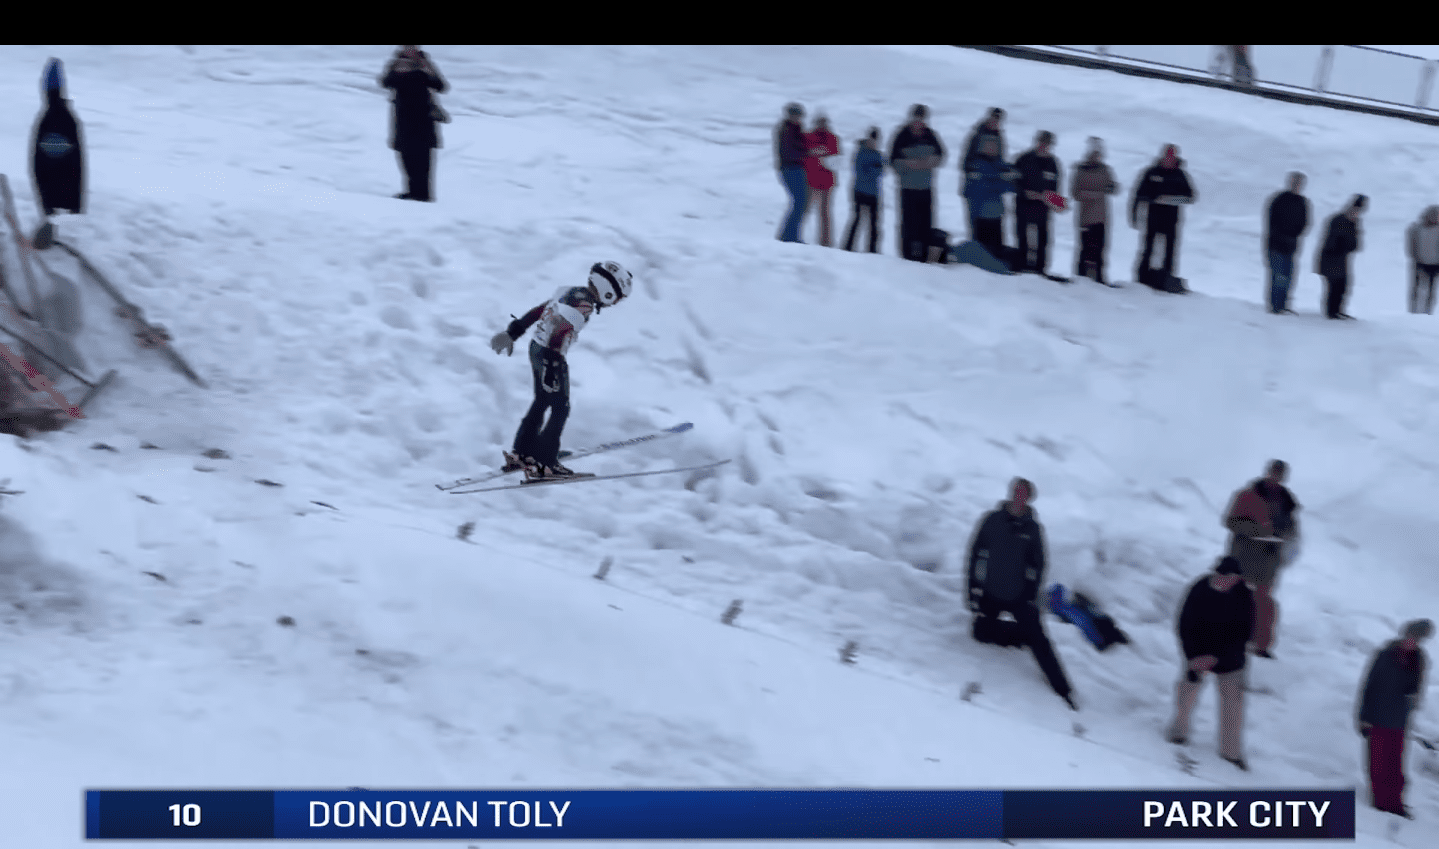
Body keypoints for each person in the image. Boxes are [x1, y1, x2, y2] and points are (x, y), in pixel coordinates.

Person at [488, 262, 634, 481]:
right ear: (608, 292)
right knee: (560, 407)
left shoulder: (570, 292)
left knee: (541, 400)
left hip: (536, 347)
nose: (615, 303)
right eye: (617, 297)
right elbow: (559, 331)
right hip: (551, 355)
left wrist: (514, 332)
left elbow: (541, 310)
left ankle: (523, 453)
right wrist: (552, 367)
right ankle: (545, 464)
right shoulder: (582, 307)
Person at [967, 478, 1078, 711]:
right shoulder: (991, 520)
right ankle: (1020, 636)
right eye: (1015, 491)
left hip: (1020, 596)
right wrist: (972, 589)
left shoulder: (1033, 529)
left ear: (1028, 499)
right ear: (1010, 493)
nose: (1018, 496)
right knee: (979, 632)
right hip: (991, 592)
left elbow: (1039, 563)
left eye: (1023, 494)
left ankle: (1064, 690)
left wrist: (1031, 591)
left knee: (1040, 640)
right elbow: (975, 553)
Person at [1167, 556, 1255, 771]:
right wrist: (1193, 657)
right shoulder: (1198, 589)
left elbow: (1243, 635)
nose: (1226, 581)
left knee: (1233, 704)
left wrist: (1216, 657)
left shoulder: (1244, 597)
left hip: (1230, 660)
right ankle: (1178, 734)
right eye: (1223, 576)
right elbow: (1184, 625)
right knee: (1186, 694)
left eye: (1232, 578)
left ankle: (1231, 753)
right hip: (1197, 655)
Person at [1224, 460, 1301, 659]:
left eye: (1280, 474)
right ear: (1267, 473)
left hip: (1268, 562)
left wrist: (1285, 538)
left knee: (1263, 604)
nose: (1276, 477)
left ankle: (1261, 646)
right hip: (1242, 557)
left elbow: (1292, 531)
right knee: (1234, 598)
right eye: (1273, 472)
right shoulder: (1247, 496)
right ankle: (1227, 638)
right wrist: (1259, 531)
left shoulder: (1288, 502)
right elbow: (1230, 521)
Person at [1357, 619, 1432, 819]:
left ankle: (1395, 804)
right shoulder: (1385, 655)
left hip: (1399, 720)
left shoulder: (1419, 660)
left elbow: (1418, 689)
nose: (1413, 642)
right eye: (1411, 637)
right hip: (1378, 717)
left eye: (1418, 639)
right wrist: (1363, 717)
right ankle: (1380, 804)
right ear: (1404, 635)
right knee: (1378, 764)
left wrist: (1414, 698)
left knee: (1395, 766)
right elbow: (1368, 686)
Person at [379, 45, 448, 202]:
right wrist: (397, 72)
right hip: (403, 119)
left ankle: (423, 195)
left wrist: (428, 71)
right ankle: (411, 192)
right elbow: (385, 82)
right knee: (406, 156)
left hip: (424, 119)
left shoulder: (425, 62)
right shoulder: (396, 62)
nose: (410, 49)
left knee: (423, 158)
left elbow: (441, 86)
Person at [1130, 144, 1197, 291]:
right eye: (1167, 156)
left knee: (1170, 250)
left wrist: (1172, 199)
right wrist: (1135, 215)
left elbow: (1191, 196)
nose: (1169, 160)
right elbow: (1139, 194)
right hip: (1152, 218)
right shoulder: (1151, 172)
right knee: (1148, 249)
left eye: (1172, 157)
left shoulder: (1180, 175)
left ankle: (1167, 279)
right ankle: (1141, 279)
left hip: (1172, 220)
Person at [889, 105, 945, 262]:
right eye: (916, 118)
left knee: (926, 223)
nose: (919, 122)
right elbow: (892, 161)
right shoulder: (901, 135)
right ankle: (907, 256)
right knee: (908, 224)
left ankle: (924, 256)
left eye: (922, 119)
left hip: (926, 188)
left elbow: (941, 155)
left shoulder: (931, 135)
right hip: (908, 188)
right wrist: (909, 164)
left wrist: (934, 161)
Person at [30, 58, 85, 216]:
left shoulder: (45, 120)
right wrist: (77, 204)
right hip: (69, 203)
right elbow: (78, 164)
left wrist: (45, 203)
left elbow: (37, 165)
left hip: (52, 203)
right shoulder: (69, 118)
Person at [1014, 131, 1064, 278]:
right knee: (1023, 239)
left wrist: (1056, 201)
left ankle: (1040, 270)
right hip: (1024, 207)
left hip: (1043, 210)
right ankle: (1021, 267)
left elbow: (1055, 188)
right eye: (1042, 143)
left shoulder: (1053, 163)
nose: (1044, 146)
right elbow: (1014, 182)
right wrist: (1026, 193)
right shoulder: (1023, 159)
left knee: (1043, 241)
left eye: (1047, 144)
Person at [961, 133, 1017, 265]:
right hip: (980, 214)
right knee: (981, 250)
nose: (991, 148)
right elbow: (979, 188)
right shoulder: (976, 164)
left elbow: (1012, 185)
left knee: (996, 250)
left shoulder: (1000, 164)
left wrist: (1000, 180)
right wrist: (999, 180)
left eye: (994, 146)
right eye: (988, 145)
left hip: (996, 214)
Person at [1070, 137, 1119, 285]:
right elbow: (1075, 193)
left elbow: (1113, 188)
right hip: (1085, 218)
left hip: (1101, 218)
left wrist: (1112, 188)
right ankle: (1080, 277)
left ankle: (1099, 278)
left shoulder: (1105, 170)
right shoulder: (1080, 170)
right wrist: (1097, 194)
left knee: (1100, 250)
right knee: (1085, 249)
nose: (1096, 157)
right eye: (1094, 153)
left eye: (1099, 154)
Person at [1262, 172, 1311, 314]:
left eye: (1300, 183)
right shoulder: (1279, 199)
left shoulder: (1303, 202)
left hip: (1292, 246)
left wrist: (1295, 234)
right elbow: (1271, 222)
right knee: (1278, 275)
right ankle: (1275, 306)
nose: (1297, 186)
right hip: (1276, 245)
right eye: (1295, 182)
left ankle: (1283, 304)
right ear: (1289, 182)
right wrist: (1282, 236)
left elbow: (1305, 222)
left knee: (1288, 276)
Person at [1315, 194, 1366, 319]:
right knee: (1334, 286)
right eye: (1355, 210)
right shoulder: (1337, 220)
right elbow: (1331, 242)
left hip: (1342, 260)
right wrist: (1345, 244)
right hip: (1330, 259)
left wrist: (1351, 242)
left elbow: (1356, 245)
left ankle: (1339, 310)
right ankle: (1331, 312)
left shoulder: (1355, 223)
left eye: (1359, 211)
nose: (1356, 213)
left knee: (1344, 285)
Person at [960, 108, 1007, 240]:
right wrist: (977, 171)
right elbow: (965, 164)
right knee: (976, 226)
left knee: (992, 226)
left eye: (998, 119)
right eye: (994, 118)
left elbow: (1000, 163)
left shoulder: (999, 138)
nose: (995, 121)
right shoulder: (976, 136)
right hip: (975, 190)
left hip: (991, 192)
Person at [843, 127, 884, 253]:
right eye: (872, 139)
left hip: (874, 193)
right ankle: (847, 247)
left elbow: (881, 171)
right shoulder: (860, 152)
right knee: (856, 220)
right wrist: (875, 169)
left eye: (876, 140)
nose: (874, 143)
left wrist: (873, 169)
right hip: (859, 191)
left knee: (874, 224)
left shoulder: (878, 154)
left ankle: (872, 250)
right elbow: (861, 174)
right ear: (868, 139)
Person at [803, 115, 841, 248]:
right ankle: (796, 235)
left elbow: (837, 160)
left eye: (824, 123)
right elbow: (803, 155)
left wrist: (823, 156)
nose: (822, 125)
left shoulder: (833, 138)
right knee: (804, 209)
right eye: (820, 122)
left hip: (827, 180)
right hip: (810, 179)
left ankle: (826, 241)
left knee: (824, 212)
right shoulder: (808, 137)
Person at [774, 103, 809, 243]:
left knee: (800, 202)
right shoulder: (787, 129)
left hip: (794, 168)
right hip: (790, 168)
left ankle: (789, 235)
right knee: (800, 201)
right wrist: (806, 152)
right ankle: (789, 236)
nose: (798, 118)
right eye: (796, 115)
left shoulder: (794, 129)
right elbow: (789, 152)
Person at [1405, 205, 1439, 314]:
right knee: (1416, 288)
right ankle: (1413, 310)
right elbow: (1411, 245)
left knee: (1431, 290)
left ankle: (1428, 311)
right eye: (1434, 215)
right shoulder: (1416, 228)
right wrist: (1414, 257)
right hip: (1419, 263)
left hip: (1435, 264)